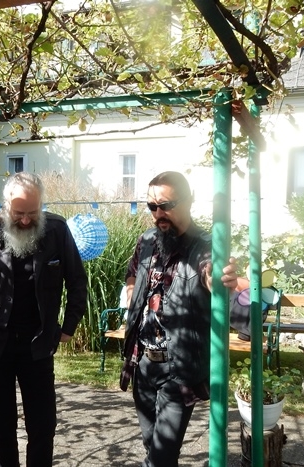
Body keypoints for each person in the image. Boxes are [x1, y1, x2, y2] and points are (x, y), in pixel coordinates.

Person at [0, 172, 87, 466]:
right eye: (19, 213)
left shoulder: (57, 230)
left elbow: (77, 280)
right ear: (5, 205)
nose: (25, 220)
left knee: (43, 427)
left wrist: (69, 326)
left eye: (32, 213)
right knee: (2, 428)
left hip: (38, 344)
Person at [122, 171, 238, 467]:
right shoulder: (147, 240)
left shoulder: (207, 246)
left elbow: (209, 271)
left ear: (189, 200)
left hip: (178, 367)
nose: (158, 214)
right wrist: (132, 293)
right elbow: (132, 273)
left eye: (166, 205)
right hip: (142, 363)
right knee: (153, 447)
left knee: (160, 456)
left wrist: (216, 279)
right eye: (152, 206)